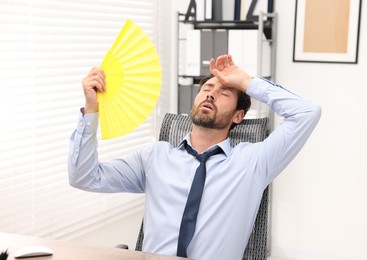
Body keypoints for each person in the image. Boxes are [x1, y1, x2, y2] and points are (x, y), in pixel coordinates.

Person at [68, 54, 321, 260]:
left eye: (224, 93)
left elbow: (307, 113)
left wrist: (246, 81)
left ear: (238, 116)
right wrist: (92, 109)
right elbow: (84, 176)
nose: (210, 94)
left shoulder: (254, 163)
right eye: (207, 88)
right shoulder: (155, 157)